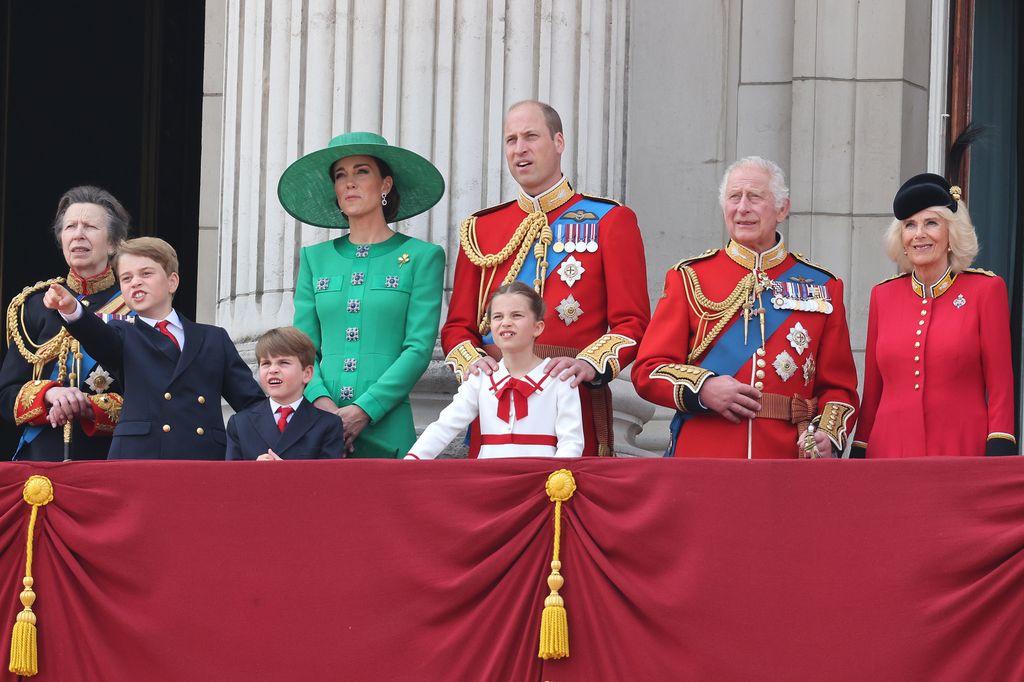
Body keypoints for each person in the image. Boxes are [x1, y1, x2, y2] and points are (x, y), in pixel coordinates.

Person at [441, 100, 649, 457]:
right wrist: (473, 363)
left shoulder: (610, 220)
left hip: (571, 397)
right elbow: (457, 327)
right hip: (495, 403)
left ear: (558, 142)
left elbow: (631, 322)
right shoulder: (482, 229)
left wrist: (588, 364)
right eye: (511, 140)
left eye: (530, 137)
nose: (519, 149)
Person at [633, 156, 860, 458]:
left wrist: (826, 435)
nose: (742, 208)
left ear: (782, 208)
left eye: (755, 197)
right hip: (704, 455)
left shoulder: (823, 286)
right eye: (734, 197)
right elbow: (649, 370)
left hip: (785, 459)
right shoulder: (689, 277)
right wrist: (704, 389)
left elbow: (840, 388)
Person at [278, 132, 445, 458]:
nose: (349, 183)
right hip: (319, 425)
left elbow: (418, 348)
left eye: (361, 171)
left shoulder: (423, 257)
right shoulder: (315, 258)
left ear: (385, 184)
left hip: (388, 427)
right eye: (341, 176)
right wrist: (324, 406)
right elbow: (302, 349)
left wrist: (364, 409)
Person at [43, 237, 264, 459]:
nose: (135, 282)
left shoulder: (214, 338)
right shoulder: (122, 333)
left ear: (172, 282)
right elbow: (98, 336)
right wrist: (73, 309)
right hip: (139, 458)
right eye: (127, 278)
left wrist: (262, 451)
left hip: (204, 457)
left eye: (146, 274)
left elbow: (251, 405)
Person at [850, 174, 1016, 457]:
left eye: (931, 223)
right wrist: (860, 448)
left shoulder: (986, 290)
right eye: (909, 225)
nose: (919, 234)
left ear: (951, 233)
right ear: (900, 238)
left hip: (962, 451)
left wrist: (1000, 446)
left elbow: (1001, 386)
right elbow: (873, 391)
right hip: (890, 454)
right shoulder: (883, 296)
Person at [0, 186, 132, 461]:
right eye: (71, 227)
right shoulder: (34, 305)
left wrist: (87, 407)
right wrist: (49, 394)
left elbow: (150, 401)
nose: (78, 234)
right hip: (40, 462)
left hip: (109, 460)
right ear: (61, 239)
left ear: (113, 244)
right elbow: (6, 395)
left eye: (90, 227)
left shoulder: (135, 306)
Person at [406, 282, 583, 459]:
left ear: (538, 327)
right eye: (498, 317)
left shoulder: (560, 378)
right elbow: (444, 426)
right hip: (490, 480)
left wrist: (554, 480)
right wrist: (411, 460)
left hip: (540, 480)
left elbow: (571, 442)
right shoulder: (480, 378)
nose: (506, 323)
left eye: (516, 315)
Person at [226, 326, 345, 460]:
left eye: (283, 363)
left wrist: (286, 473)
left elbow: (329, 478)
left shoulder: (328, 424)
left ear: (307, 374)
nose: (273, 370)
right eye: (266, 363)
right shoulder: (240, 423)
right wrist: (253, 470)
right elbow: (231, 477)